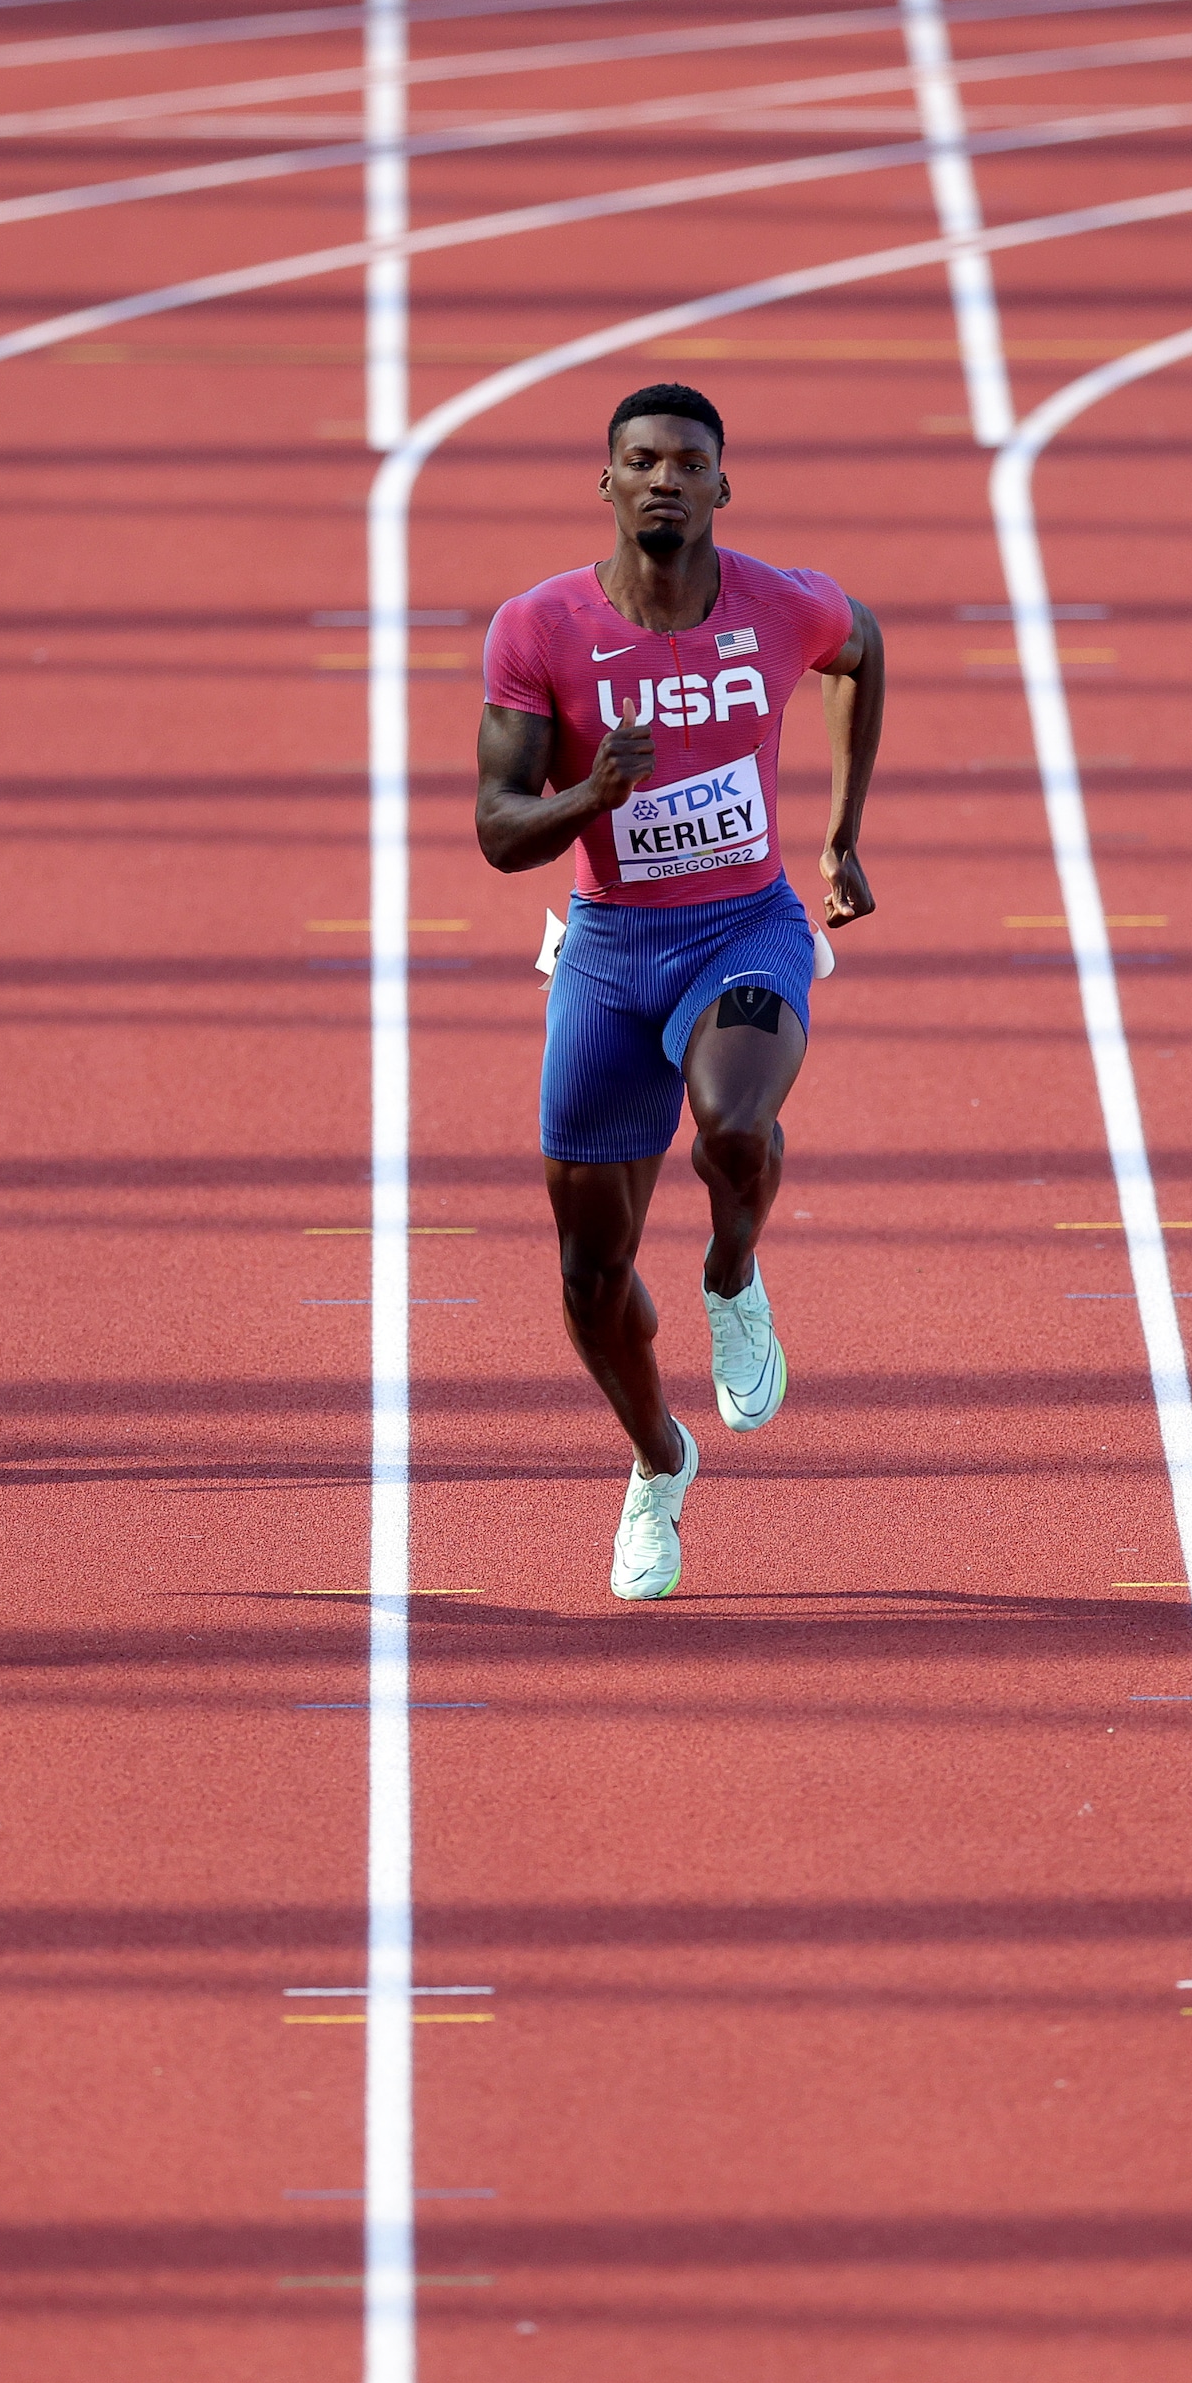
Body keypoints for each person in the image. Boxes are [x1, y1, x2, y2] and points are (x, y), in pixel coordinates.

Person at [474, 384, 883, 1597]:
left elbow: (861, 646)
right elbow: (498, 832)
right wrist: (586, 798)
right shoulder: (536, 627)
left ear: (720, 485)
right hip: (607, 949)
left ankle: (728, 1274)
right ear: (605, 483)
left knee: (735, 1122)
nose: (663, 478)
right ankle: (658, 1462)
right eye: (639, 460)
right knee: (590, 1277)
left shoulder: (778, 601)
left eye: (686, 461)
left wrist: (841, 836)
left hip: (743, 928)